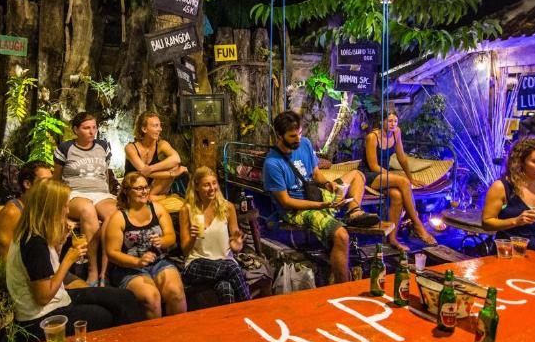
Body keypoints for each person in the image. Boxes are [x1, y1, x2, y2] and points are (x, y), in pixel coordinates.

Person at [7, 178, 143, 342]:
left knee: (124, 298)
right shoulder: (34, 242)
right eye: (65, 205)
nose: (67, 211)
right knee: (105, 316)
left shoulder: (36, 231)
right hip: (40, 318)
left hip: (57, 300)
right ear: (52, 207)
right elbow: (43, 297)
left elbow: (47, 269)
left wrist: (61, 240)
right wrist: (68, 260)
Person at [262, 110, 382, 284]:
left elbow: (316, 174)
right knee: (342, 236)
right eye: (292, 136)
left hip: (315, 193)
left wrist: (328, 184)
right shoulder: (272, 163)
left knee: (357, 175)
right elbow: (286, 202)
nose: (298, 139)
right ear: (279, 135)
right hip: (296, 209)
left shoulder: (305, 144)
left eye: (300, 134)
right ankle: (343, 287)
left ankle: (353, 212)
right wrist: (320, 206)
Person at [104, 173, 187, 318]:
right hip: (130, 268)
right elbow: (112, 252)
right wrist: (137, 262)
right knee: (151, 297)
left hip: (159, 262)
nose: (144, 191)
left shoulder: (157, 209)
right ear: (128, 192)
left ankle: (178, 335)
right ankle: (154, 337)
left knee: (175, 292)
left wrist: (162, 241)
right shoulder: (119, 218)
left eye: (146, 187)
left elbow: (171, 237)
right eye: (139, 188)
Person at [0, 161, 87, 289]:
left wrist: (61, 237)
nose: (50, 185)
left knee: (88, 288)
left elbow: (51, 253)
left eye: (51, 180)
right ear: (27, 184)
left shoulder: (45, 210)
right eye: (45, 181)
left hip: (51, 269)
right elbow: (5, 257)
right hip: (32, 277)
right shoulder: (12, 213)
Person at [54, 112, 116, 286]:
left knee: (113, 215)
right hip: (75, 193)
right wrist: (57, 205)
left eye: (94, 127)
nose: (92, 132)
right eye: (86, 128)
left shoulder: (103, 146)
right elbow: (56, 178)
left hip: (101, 193)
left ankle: (105, 272)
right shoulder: (65, 148)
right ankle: (92, 270)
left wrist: (109, 193)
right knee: (88, 210)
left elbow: (106, 174)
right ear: (75, 130)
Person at [361, 111, 437, 249]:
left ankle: (392, 238)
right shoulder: (372, 137)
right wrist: (395, 177)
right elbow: (373, 166)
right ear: (382, 122)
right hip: (369, 175)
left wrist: (411, 178)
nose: (393, 124)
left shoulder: (397, 133)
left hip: (384, 175)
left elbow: (401, 157)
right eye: (389, 121)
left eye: (395, 121)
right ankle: (417, 224)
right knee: (402, 182)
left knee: (397, 195)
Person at [178, 166, 252, 304]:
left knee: (226, 288)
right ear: (197, 187)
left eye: (214, 183)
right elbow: (185, 251)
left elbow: (235, 242)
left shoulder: (227, 207)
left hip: (224, 262)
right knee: (232, 268)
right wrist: (193, 237)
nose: (212, 188)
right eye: (206, 185)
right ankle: (251, 308)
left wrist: (237, 245)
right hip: (197, 264)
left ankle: (231, 323)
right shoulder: (187, 210)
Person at [124, 111, 188, 200]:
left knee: (174, 166)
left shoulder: (162, 144)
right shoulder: (130, 148)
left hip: (150, 188)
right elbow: (143, 172)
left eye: (159, 125)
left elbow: (176, 159)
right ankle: (159, 197)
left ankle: (151, 196)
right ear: (144, 129)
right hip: (133, 188)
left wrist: (151, 168)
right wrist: (172, 174)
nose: (160, 129)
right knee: (173, 169)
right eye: (155, 126)